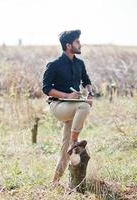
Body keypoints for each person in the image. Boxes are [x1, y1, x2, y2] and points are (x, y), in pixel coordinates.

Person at [42, 30, 94, 185]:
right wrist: (66, 95)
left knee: (65, 148)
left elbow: (86, 81)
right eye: (78, 42)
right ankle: (75, 141)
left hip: (73, 106)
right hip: (58, 105)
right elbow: (46, 88)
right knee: (84, 107)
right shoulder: (54, 65)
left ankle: (55, 182)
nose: (80, 44)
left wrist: (90, 93)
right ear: (68, 45)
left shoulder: (80, 64)